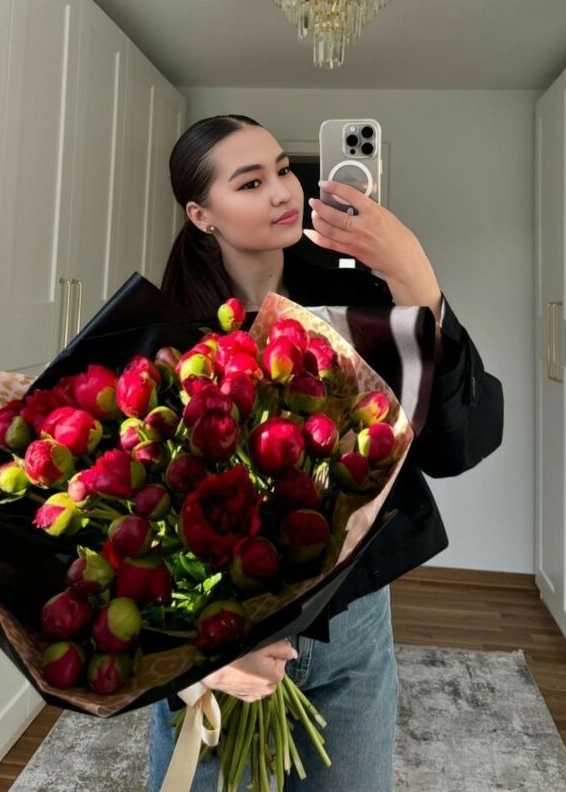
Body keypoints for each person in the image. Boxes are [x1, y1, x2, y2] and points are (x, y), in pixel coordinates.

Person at [148, 114, 504, 792]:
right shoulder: (164, 340)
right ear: (201, 215)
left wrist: (414, 276)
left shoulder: (361, 302)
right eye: (250, 182)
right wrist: (203, 653)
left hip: (354, 622)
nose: (283, 190)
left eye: (283, 170)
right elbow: (141, 526)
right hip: (216, 639)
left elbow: (457, 442)